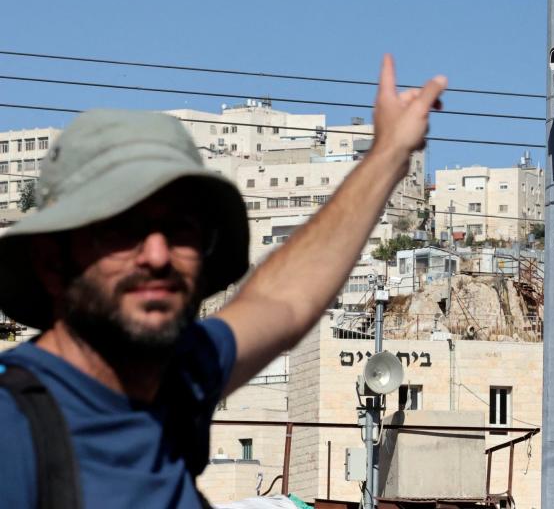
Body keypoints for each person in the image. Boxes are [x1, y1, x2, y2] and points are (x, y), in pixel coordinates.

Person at [0, 55, 446, 509]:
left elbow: (284, 300)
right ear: (52, 262)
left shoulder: (177, 379)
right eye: (122, 229)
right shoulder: (13, 431)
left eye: (182, 229)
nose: (157, 256)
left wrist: (390, 153)